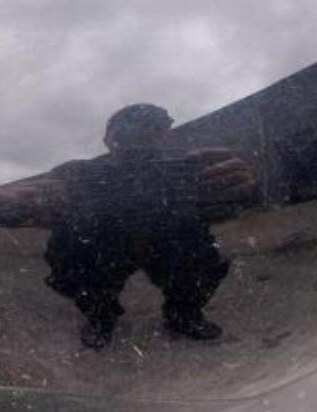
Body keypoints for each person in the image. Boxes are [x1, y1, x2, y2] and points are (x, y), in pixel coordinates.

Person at [45, 103, 242, 349]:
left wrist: (234, 189)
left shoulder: (185, 169)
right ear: (109, 139)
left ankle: (183, 313)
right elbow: (56, 221)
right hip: (108, 244)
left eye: (149, 131)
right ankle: (100, 314)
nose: (137, 141)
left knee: (200, 256)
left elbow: (217, 213)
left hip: (167, 241)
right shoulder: (79, 173)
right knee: (70, 253)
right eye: (128, 133)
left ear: (162, 135)